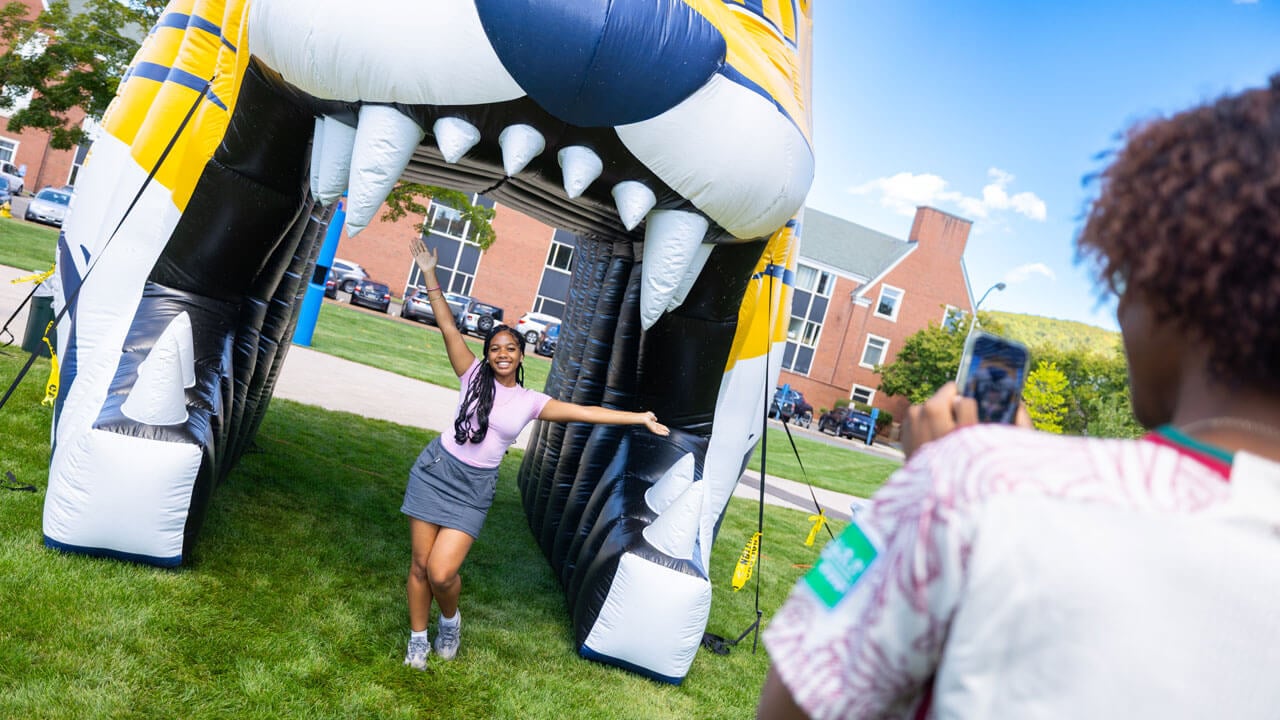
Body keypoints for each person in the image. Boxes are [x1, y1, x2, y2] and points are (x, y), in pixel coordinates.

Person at [758, 75, 1280, 719]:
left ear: (1172, 279)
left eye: (1123, 275)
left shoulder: (978, 482)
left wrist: (941, 483)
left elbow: (795, 702)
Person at [400, 237, 670, 670]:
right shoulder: (470, 374)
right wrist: (430, 272)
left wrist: (637, 418)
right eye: (495, 349)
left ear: (521, 354)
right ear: (487, 356)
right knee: (419, 565)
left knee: (442, 572)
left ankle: (449, 621)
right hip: (436, 470)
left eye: (510, 348)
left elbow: (586, 412)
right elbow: (448, 325)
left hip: (474, 488)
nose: (502, 354)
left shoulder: (530, 402)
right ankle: (417, 640)